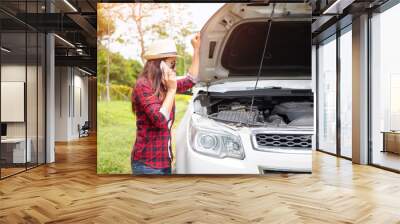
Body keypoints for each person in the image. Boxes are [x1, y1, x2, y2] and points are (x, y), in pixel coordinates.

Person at [131, 34, 200, 175]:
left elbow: (190, 80)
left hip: (164, 161)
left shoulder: (163, 84)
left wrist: (196, 50)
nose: (174, 68)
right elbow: (160, 120)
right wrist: (172, 89)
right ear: (158, 64)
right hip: (148, 165)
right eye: (171, 63)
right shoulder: (143, 85)